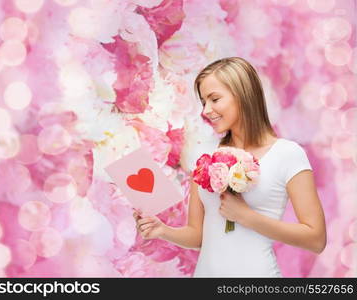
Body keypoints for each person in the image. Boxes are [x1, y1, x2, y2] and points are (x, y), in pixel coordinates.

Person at [133, 57, 326, 277]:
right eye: (204, 102)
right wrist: (163, 231)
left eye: (214, 99)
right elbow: (198, 236)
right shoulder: (204, 156)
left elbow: (316, 239)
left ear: (243, 95)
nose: (206, 110)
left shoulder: (287, 154)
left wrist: (247, 217)